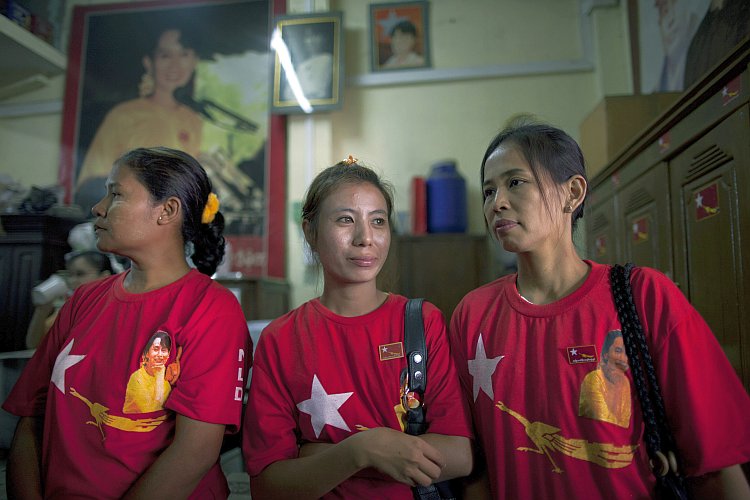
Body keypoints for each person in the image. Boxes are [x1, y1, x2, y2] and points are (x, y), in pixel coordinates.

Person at [449, 121, 750, 498]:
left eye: (516, 182)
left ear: (572, 193)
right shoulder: (472, 314)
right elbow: (476, 469)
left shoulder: (643, 295)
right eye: (489, 190)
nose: (497, 203)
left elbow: (717, 467)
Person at [4, 146, 251, 498]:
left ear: (167, 211)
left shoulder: (211, 308)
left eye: (116, 194)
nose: (98, 208)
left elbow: (194, 452)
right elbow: (30, 419)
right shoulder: (85, 300)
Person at [243, 157, 473, 499]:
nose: (365, 238)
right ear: (310, 231)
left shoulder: (423, 322)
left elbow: (459, 454)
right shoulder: (281, 339)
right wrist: (362, 449)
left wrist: (324, 455)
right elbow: (268, 485)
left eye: (378, 221)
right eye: (345, 220)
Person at [75, 28, 203, 212]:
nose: (175, 65)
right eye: (165, 55)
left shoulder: (194, 121)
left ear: (194, 61)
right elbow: (89, 188)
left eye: (184, 54)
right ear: (149, 63)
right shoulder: (124, 116)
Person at [26, 250, 115, 349]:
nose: (72, 281)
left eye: (80, 274)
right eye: (70, 275)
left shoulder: (117, 308)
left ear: (105, 277)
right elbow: (34, 345)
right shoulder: (68, 309)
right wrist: (41, 311)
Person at [578, 330, 631, 428]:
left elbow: (624, 421)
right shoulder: (594, 378)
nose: (623, 359)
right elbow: (604, 421)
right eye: (618, 351)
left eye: (627, 353)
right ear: (606, 355)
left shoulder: (625, 382)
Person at [283, 24, 333, 101]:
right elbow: (288, 94)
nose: (310, 41)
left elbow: (316, 90)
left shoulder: (327, 59)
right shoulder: (302, 66)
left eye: (315, 36)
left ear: (323, 38)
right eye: (308, 37)